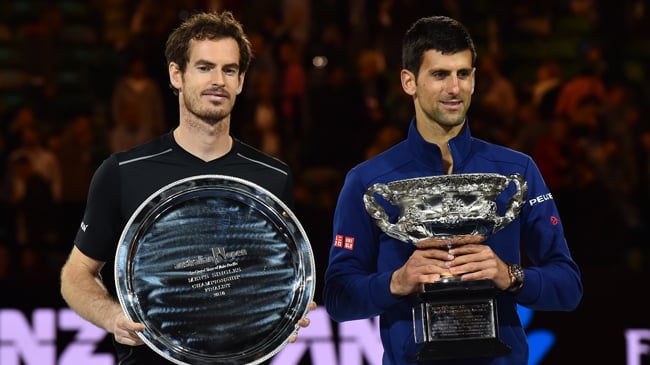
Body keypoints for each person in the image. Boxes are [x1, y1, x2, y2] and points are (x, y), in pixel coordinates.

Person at [323, 15, 583, 365]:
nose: (454, 88)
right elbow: (338, 297)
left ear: (474, 79)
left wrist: (509, 275)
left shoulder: (515, 172)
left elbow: (568, 287)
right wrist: (397, 282)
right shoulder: (369, 181)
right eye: (440, 74)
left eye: (463, 74)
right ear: (408, 81)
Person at [60, 11, 315, 364]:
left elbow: (271, 275)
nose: (218, 81)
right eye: (204, 67)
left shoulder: (273, 177)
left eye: (229, 70)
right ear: (176, 74)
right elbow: (75, 275)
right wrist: (113, 318)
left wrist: (286, 307)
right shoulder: (123, 171)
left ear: (241, 81)